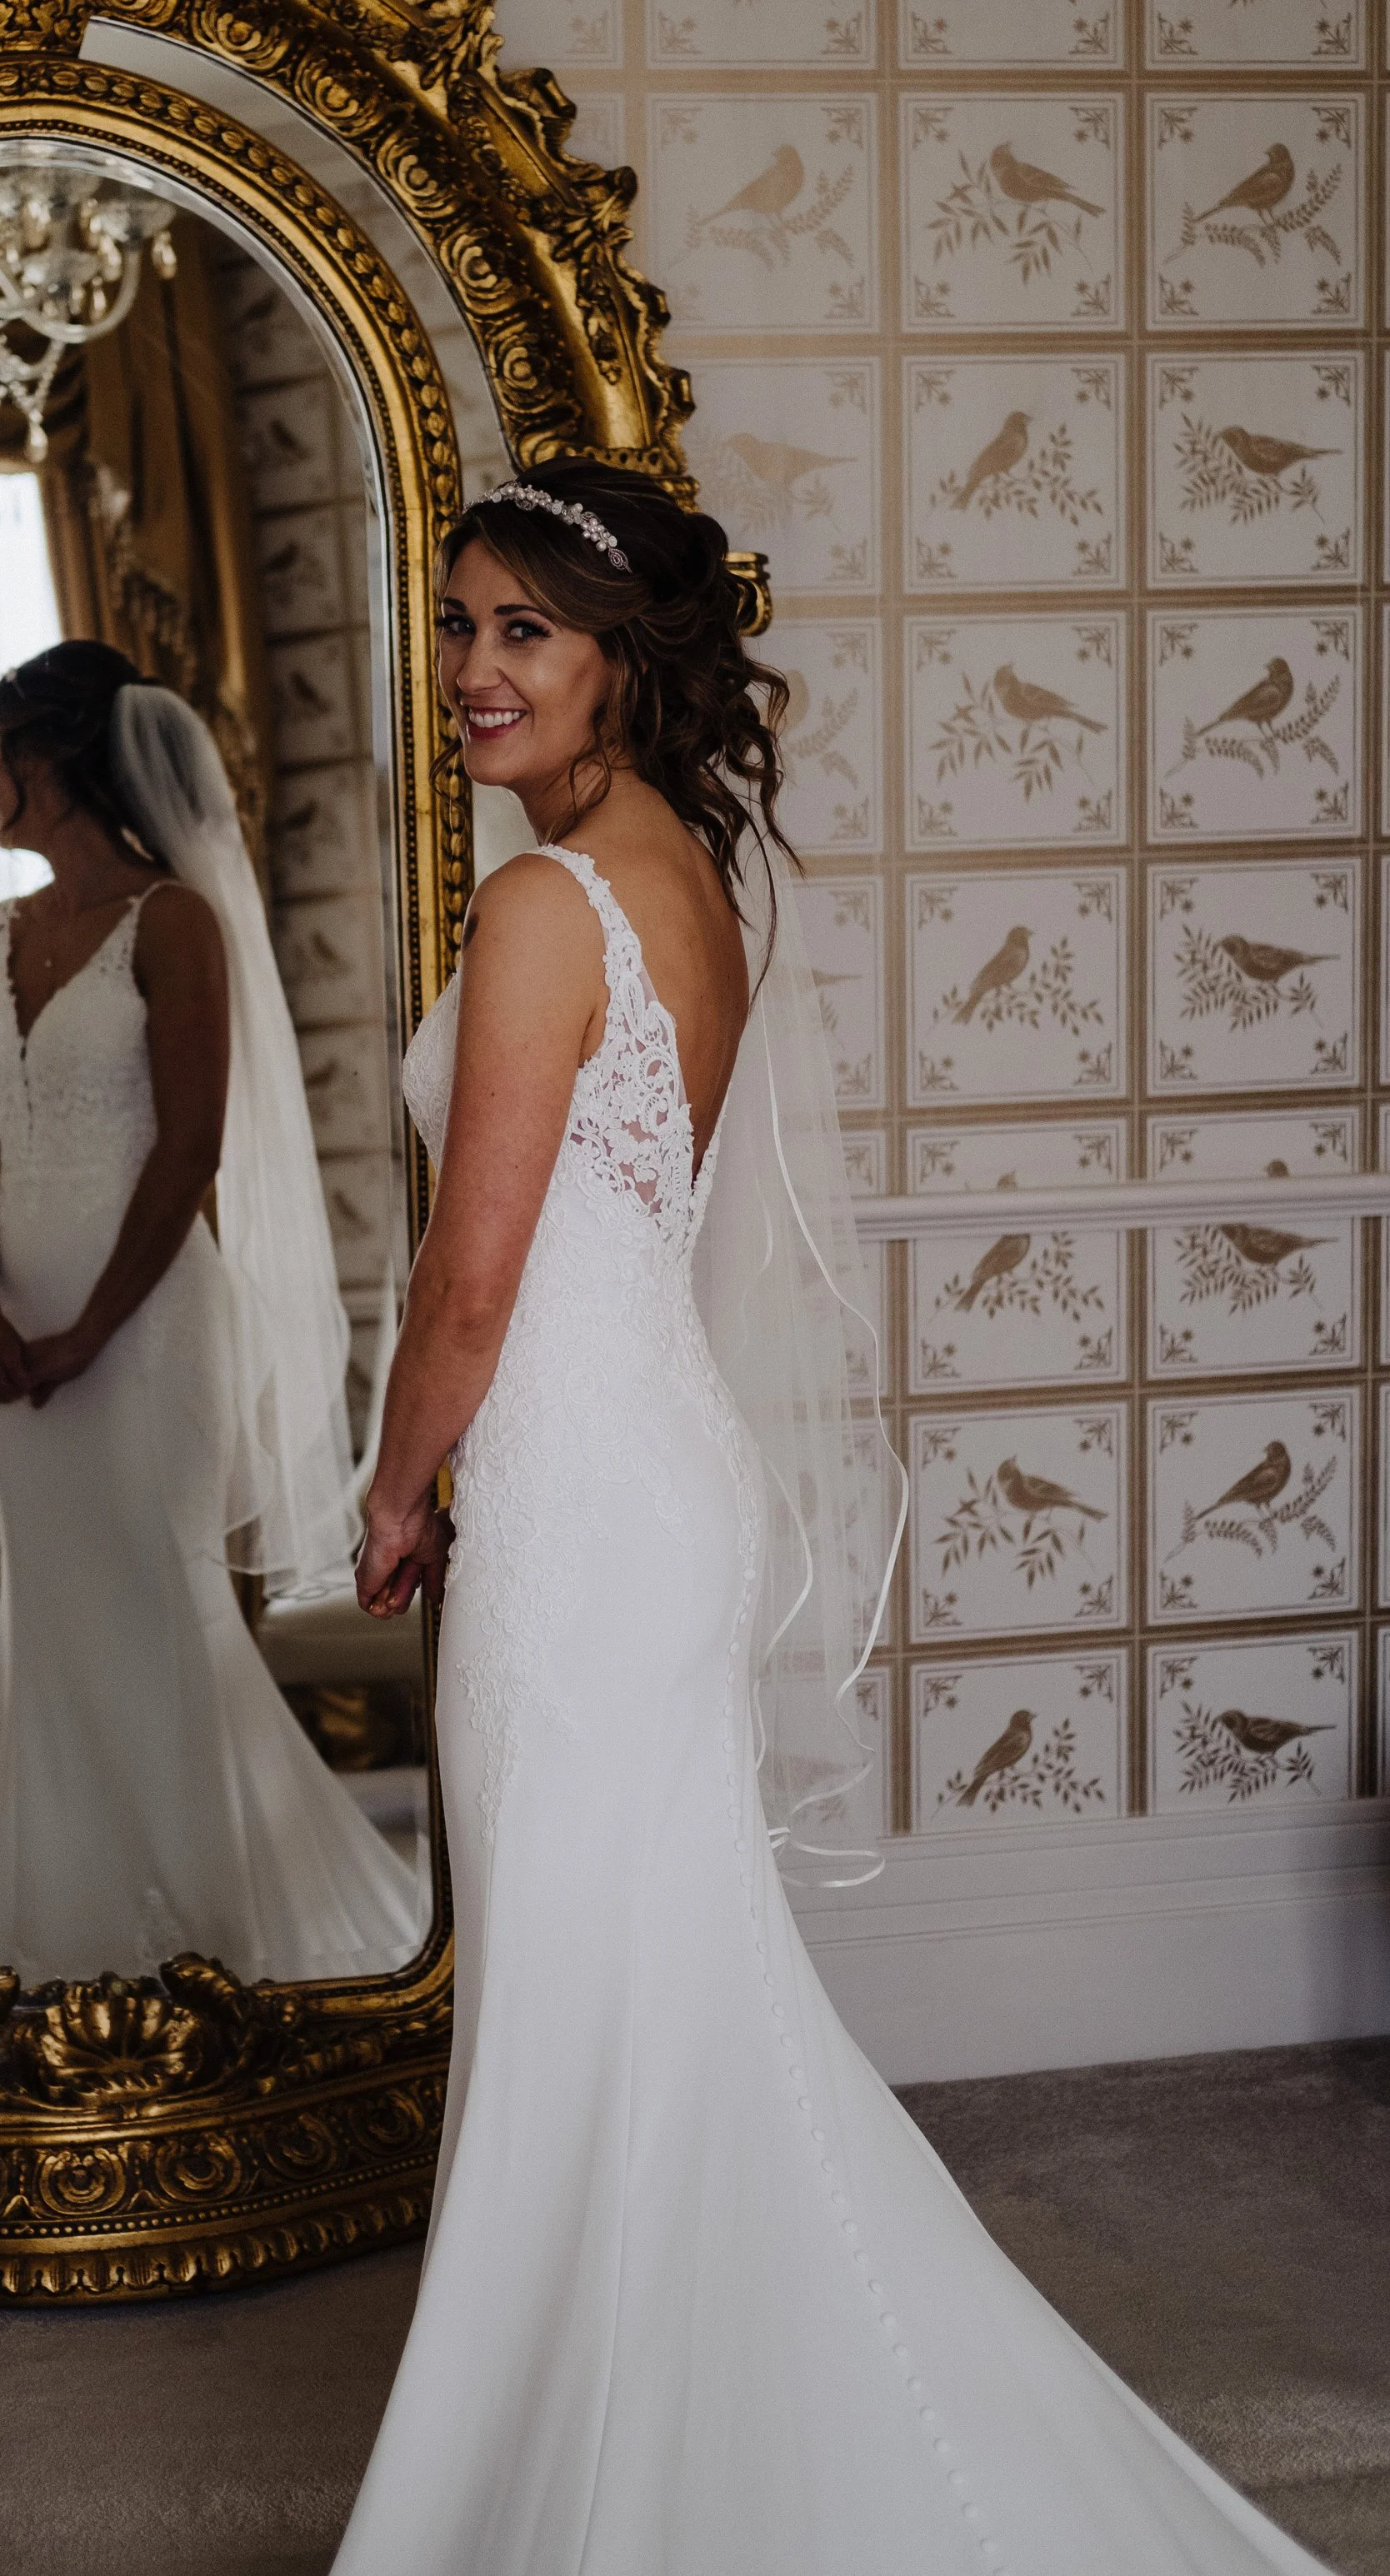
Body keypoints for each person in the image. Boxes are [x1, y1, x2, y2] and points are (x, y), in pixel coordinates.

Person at [335, 465, 1327, 2575]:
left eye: (524, 630)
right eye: (454, 625)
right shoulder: (677, 871)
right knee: (644, 1990)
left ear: (621, 658)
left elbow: (476, 1275)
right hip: (635, 1476)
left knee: (607, 1997)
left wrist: (396, 1483)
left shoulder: (538, 909)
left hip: (576, 1495)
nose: (474, 670)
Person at [0, 641, 424, 2004]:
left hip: (153, 1327)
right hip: (21, 1340)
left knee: (164, 1599)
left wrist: (85, 1332)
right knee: (55, 1609)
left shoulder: (176, 924)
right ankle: (61, 1913)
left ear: (48, 762)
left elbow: (188, 1156)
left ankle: (209, 1925)